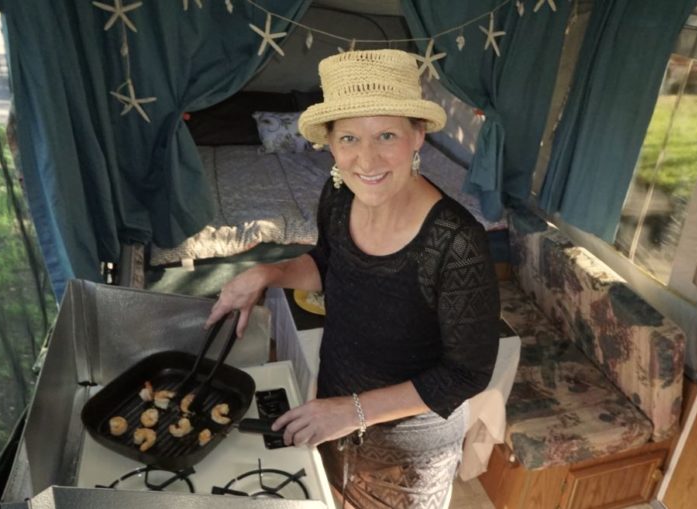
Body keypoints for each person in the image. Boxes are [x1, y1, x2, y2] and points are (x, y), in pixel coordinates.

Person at [206, 49, 500, 509]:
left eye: (386, 134)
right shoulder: (339, 194)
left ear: (417, 136)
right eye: (348, 138)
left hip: (404, 453)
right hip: (333, 409)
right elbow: (328, 263)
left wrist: (354, 411)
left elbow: (466, 374)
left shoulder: (458, 243)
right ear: (329, 143)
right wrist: (270, 272)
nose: (366, 160)